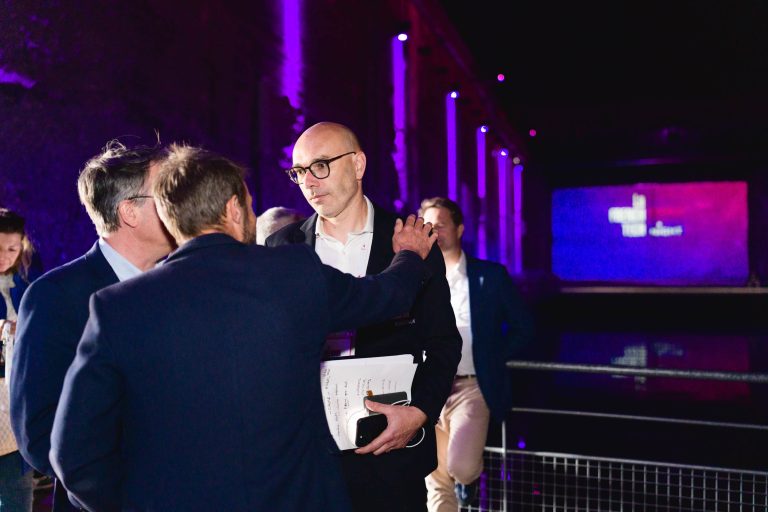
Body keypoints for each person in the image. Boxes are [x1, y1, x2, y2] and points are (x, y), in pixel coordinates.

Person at [49, 144, 437, 512]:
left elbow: (75, 455)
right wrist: (409, 255)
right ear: (234, 209)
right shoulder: (294, 274)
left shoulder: (118, 306)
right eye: (250, 205)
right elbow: (386, 297)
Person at [267, 122, 462, 511]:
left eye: (320, 165)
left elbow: (443, 344)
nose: (308, 181)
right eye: (299, 171)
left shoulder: (413, 241)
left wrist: (419, 413)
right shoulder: (281, 247)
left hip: (390, 456)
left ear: (357, 165)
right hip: (308, 460)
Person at [10, 140, 175, 511]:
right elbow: (39, 437)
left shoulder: (182, 286)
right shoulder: (55, 297)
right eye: (168, 194)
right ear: (129, 212)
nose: (183, 203)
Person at [418, 197, 534, 511]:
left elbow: (525, 327)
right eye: (429, 225)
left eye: (442, 224)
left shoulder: (490, 276)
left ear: (459, 228)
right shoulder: (416, 280)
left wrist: (495, 356)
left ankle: (466, 483)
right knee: (435, 482)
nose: (435, 231)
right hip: (428, 389)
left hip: (471, 387)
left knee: (461, 467)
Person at [0, 208, 41, 512]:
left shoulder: (26, 290)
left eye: (12, 249)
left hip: (14, 416)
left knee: (18, 501)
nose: (4, 256)